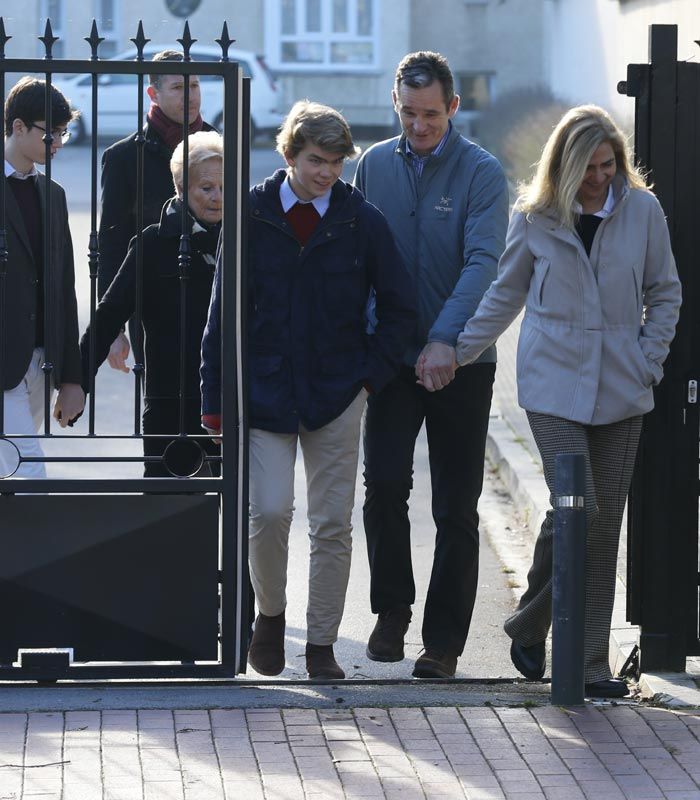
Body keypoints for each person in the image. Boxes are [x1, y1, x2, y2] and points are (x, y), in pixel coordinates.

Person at [454, 105, 681, 698]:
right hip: (553, 384)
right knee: (579, 509)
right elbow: (505, 295)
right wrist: (456, 352)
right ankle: (541, 631)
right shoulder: (533, 217)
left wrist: (649, 361)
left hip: (623, 386)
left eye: (609, 165)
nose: (601, 178)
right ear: (565, 165)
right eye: (589, 169)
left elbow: (665, 291)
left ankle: (583, 663)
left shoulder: (643, 210)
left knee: (600, 528)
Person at [200, 100, 415, 680]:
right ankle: (270, 617)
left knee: (331, 523)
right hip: (264, 392)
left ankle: (320, 644)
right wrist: (214, 400)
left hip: (337, 393)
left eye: (337, 162)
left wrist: (368, 377)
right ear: (290, 155)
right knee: (268, 511)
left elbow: (400, 308)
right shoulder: (249, 213)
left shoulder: (359, 219)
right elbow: (222, 313)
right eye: (317, 160)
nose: (327, 173)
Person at [354, 51, 509, 678]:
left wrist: (446, 341)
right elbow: (361, 259)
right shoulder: (371, 166)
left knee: (455, 503)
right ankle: (392, 609)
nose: (419, 126)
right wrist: (377, 342)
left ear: (453, 106)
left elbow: (482, 264)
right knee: (385, 485)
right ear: (397, 106)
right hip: (392, 359)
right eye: (408, 113)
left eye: (430, 114)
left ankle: (443, 640)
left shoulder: (482, 173)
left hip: (463, 361)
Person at [81, 131, 223, 477]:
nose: (218, 198)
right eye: (206, 189)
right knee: (169, 512)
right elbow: (110, 312)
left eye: (224, 187)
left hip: (234, 401)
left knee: (238, 511)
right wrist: (77, 381)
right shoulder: (152, 243)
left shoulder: (247, 239)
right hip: (169, 402)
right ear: (181, 189)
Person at [98, 49, 215, 375]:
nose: (190, 96)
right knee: (161, 408)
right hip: (152, 303)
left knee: (218, 406)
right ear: (154, 92)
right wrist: (112, 327)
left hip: (213, 293)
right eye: (179, 88)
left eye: (195, 86)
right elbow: (112, 243)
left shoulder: (220, 143)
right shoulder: (124, 157)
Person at [0, 77, 84, 480]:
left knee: (9, 475)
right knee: (29, 475)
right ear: (18, 127)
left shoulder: (54, 195)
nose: (59, 143)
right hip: (4, 364)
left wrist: (71, 377)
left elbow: (63, 288)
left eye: (63, 133)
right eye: (50, 133)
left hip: (39, 362)